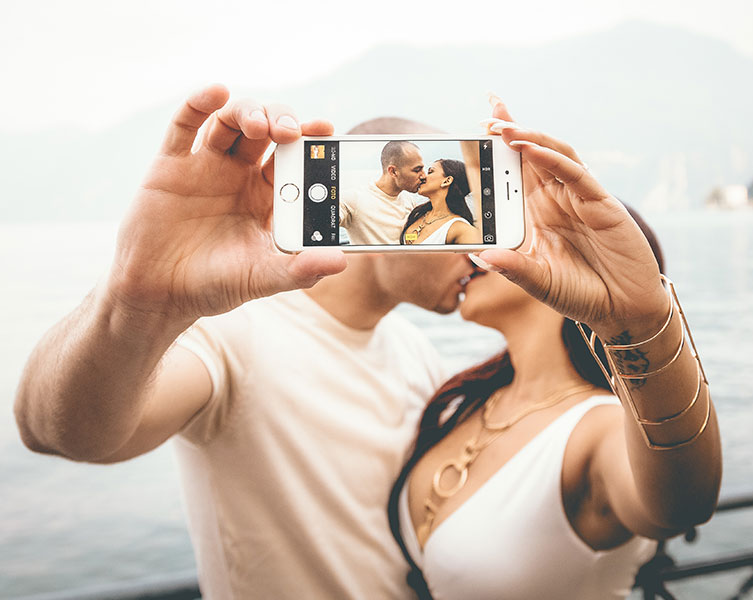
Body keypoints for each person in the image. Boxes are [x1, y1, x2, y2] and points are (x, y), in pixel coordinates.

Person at [13, 84, 474, 599]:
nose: (475, 248)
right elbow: (61, 432)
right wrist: (137, 298)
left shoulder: (416, 352)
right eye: (456, 214)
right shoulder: (235, 329)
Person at [387, 99, 723, 600]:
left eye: (507, 226)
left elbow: (681, 504)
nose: (472, 246)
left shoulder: (600, 428)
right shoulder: (466, 400)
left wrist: (635, 321)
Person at [339, 140, 428, 245]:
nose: (424, 176)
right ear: (393, 171)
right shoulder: (355, 199)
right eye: (417, 170)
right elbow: (321, 219)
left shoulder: (409, 200)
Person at [400, 159, 481, 245]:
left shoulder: (461, 229)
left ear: (447, 181)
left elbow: (478, 256)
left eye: (430, 172)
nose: (423, 177)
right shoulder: (417, 214)